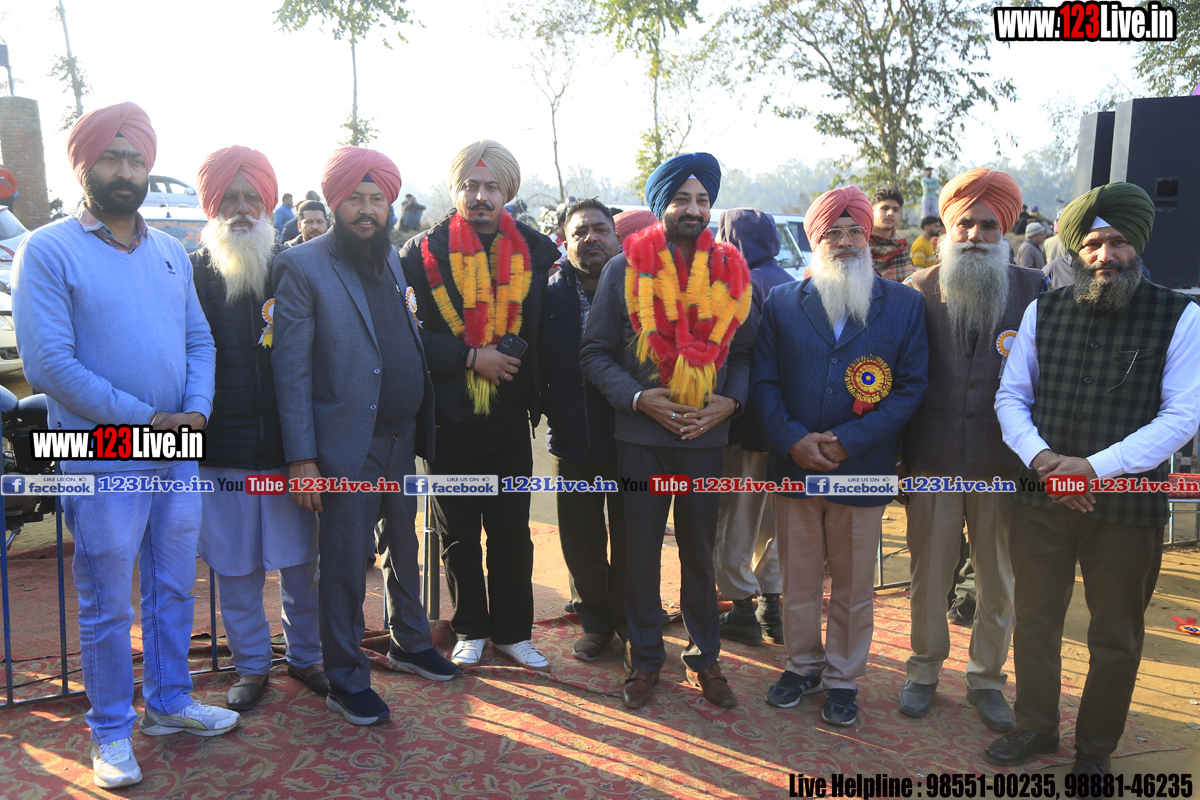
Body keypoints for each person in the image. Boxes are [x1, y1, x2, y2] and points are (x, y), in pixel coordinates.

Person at [11, 102, 233, 789]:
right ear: (84, 166)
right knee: (108, 601)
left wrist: (195, 411)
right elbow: (50, 366)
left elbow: (199, 340)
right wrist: (148, 421)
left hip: (175, 449)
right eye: (111, 156)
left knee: (174, 585)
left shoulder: (168, 253)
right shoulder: (47, 250)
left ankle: (169, 703)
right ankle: (110, 730)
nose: (125, 170)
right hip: (102, 454)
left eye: (136, 158)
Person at [991, 182, 1200, 775]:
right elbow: (1011, 397)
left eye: (1119, 242)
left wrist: (1092, 469)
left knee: (1115, 636)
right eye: (1092, 244)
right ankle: (1035, 726)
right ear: (1076, 250)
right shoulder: (1044, 310)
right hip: (1042, 501)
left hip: (1127, 510)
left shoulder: (1180, 316)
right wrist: (1043, 461)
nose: (1106, 255)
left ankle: (1095, 750)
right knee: (1035, 622)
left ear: (1138, 245)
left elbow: (1182, 416)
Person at [273, 145, 460, 728]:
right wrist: (302, 458)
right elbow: (290, 371)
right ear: (335, 202)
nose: (367, 209)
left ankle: (410, 642)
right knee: (346, 566)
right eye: (355, 197)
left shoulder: (392, 259)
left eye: (377, 198)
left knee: (405, 549)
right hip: (343, 447)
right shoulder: (302, 266)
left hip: (402, 437)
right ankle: (346, 679)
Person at [580, 152, 754, 710]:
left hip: (705, 439)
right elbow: (594, 352)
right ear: (661, 205)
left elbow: (746, 355)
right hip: (641, 439)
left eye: (702, 199)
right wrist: (638, 398)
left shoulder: (731, 268)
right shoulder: (623, 269)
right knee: (640, 552)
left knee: (701, 554)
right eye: (682, 199)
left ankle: (706, 659)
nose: (694, 209)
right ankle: (646, 658)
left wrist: (729, 402)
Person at [750, 185, 928, 726]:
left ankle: (843, 678)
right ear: (816, 240)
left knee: (853, 585)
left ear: (869, 238)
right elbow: (763, 383)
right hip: (795, 467)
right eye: (834, 232)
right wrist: (793, 439)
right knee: (798, 578)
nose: (847, 241)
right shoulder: (783, 302)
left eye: (856, 232)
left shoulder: (904, 304)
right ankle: (801, 666)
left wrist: (850, 440)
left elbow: (910, 388)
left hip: (863, 469)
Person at [399, 140, 560, 671]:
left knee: (512, 531)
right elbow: (408, 334)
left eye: (491, 186)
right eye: (469, 185)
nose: (480, 196)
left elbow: (547, 333)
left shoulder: (537, 252)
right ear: (455, 189)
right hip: (449, 420)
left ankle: (514, 633)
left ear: (508, 192)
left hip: (511, 421)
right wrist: (471, 357)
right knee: (459, 532)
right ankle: (470, 627)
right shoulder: (421, 253)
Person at [898, 168, 1041, 732]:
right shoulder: (916, 289)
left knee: (997, 578)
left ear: (1004, 231)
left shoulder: (1035, 292)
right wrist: (899, 460)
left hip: (1002, 462)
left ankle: (986, 680)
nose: (976, 235)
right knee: (929, 575)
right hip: (932, 457)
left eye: (988, 225)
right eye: (965, 224)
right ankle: (923, 670)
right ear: (946, 230)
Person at [190, 145, 325, 712]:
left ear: (269, 205)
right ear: (213, 205)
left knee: (301, 568)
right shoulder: (190, 272)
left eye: (252, 197)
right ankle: (250, 666)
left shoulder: (295, 266)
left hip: (291, 453)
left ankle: (308, 658)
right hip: (221, 453)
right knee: (235, 571)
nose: (242, 209)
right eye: (230, 198)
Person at [538, 198, 628, 662]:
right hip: (572, 438)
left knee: (633, 536)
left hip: (632, 438)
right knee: (581, 538)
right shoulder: (547, 296)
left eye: (600, 229)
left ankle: (632, 622)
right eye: (579, 232)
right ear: (565, 242)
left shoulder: (641, 288)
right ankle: (596, 623)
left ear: (617, 237)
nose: (591, 238)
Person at [713, 208, 793, 647]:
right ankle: (772, 609)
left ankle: (743, 607)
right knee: (775, 523)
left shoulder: (739, 284)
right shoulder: (793, 282)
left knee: (736, 520)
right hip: (789, 427)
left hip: (746, 422)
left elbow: (736, 356)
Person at [870, 187, 914, 282]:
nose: (891, 213)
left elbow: (910, 284)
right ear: (871, 212)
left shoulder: (900, 246)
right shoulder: (860, 244)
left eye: (896, 210)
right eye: (885, 208)